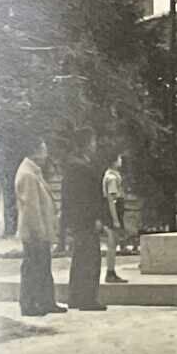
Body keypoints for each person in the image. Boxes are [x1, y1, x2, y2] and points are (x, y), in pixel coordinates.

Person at [14, 137, 65, 317]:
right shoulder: (28, 174)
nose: (46, 154)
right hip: (35, 232)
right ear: (35, 151)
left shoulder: (34, 172)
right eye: (44, 149)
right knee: (33, 268)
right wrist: (40, 232)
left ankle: (45, 302)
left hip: (40, 230)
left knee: (42, 267)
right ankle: (30, 304)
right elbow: (31, 208)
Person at [63, 127, 107, 311]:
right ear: (87, 144)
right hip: (86, 221)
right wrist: (95, 218)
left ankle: (76, 297)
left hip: (80, 221)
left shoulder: (76, 165)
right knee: (89, 259)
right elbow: (84, 198)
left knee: (81, 258)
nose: (95, 146)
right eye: (93, 142)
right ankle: (87, 298)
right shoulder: (80, 167)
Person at [101, 152, 128, 283]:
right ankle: (110, 272)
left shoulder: (112, 175)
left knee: (113, 243)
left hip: (116, 210)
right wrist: (115, 219)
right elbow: (112, 200)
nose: (121, 161)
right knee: (112, 243)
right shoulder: (112, 178)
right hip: (114, 211)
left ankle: (111, 271)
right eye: (119, 159)